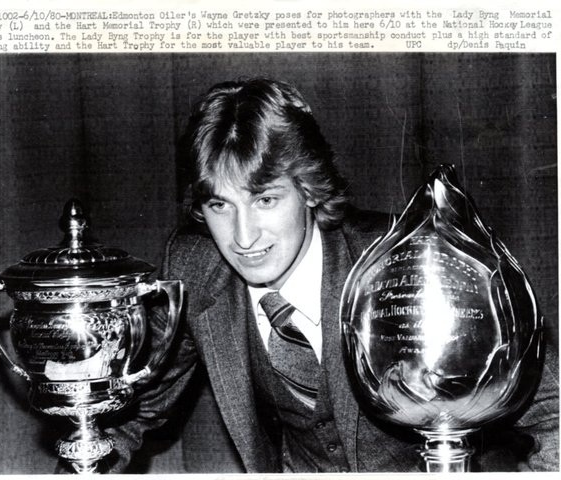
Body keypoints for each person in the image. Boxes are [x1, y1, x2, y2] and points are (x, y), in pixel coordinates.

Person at [101, 78, 558, 473]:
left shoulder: (406, 263)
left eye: (265, 200)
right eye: (220, 205)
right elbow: (130, 410)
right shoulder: (194, 271)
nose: (242, 237)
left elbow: (555, 411)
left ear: (310, 189)